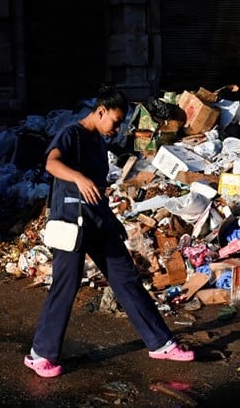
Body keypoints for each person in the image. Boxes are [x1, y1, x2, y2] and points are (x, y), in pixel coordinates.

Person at [25, 84, 194, 378]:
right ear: (100, 111)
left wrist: (112, 219)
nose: (115, 129)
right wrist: (78, 178)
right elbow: (52, 163)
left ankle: (160, 342)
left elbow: (98, 188)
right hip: (71, 223)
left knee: (127, 279)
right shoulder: (71, 134)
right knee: (66, 286)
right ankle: (41, 354)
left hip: (99, 221)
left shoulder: (98, 143)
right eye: (114, 122)